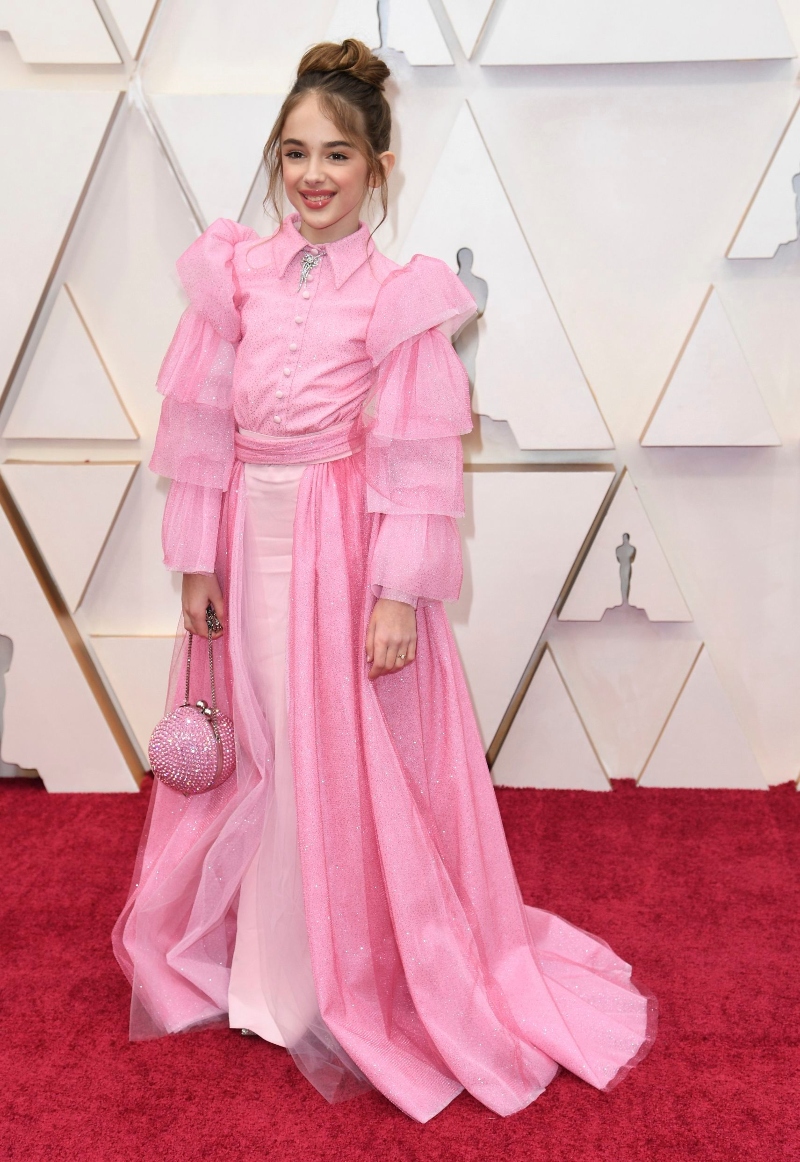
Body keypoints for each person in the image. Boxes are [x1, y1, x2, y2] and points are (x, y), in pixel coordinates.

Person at [113, 39, 656, 1124]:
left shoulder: (399, 295)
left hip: (338, 544)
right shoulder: (233, 272)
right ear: (276, 159)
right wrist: (193, 560)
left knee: (329, 749)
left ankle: (326, 974)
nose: (312, 175)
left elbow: (416, 456)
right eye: (295, 153)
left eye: (338, 155)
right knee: (261, 738)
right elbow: (200, 424)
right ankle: (259, 966)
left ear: (379, 167)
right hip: (247, 532)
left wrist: (399, 590)